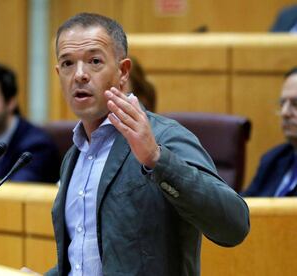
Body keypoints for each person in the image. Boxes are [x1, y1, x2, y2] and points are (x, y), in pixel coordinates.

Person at [47, 13, 249, 275]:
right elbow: (87, 260)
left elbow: (235, 225)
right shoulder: (75, 154)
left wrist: (157, 159)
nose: (80, 75)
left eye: (95, 61)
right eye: (67, 64)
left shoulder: (164, 137)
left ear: (123, 71)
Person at [242, 67, 297, 196]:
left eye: (296, 104)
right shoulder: (273, 159)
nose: (284, 112)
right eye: (282, 104)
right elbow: (242, 206)